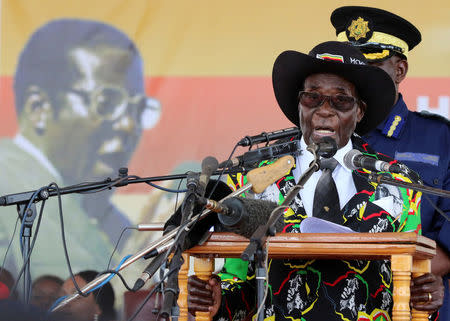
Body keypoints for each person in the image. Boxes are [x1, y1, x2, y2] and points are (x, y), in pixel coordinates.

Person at [187, 42, 443, 320]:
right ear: (300, 104)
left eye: (341, 100)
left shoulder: (397, 181)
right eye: (313, 97)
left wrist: (425, 295)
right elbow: (239, 280)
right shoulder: (252, 179)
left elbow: (407, 287)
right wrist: (218, 301)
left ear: (358, 112)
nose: (324, 110)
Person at [0, 19, 161, 279]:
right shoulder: (7, 186)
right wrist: (136, 275)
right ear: (38, 108)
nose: (130, 125)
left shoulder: (110, 218)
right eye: (107, 102)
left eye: (138, 108)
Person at [330, 6, 450, 319]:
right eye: (349, 68)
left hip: (414, 305)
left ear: (399, 71)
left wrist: (374, 279)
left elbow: (447, 246)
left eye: (369, 66)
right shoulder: (320, 139)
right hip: (331, 302)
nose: (357, 78)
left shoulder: (439, 138)